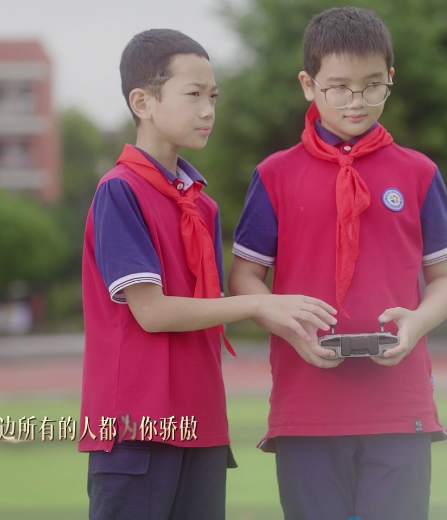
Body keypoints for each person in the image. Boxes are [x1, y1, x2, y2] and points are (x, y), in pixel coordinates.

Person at [80, 29, 338, 520]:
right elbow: (152, 312)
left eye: (213, 96)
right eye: (194, 94)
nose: (208, 110)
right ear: (143, 102)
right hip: (136, 425)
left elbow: (206, 309)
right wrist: (260, 301)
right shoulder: (120, 191)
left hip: (200, 423)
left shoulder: (203, 205)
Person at [228, 7, 447, 520]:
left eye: (372, 85)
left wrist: (416, 323)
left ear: (390, 79)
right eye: (338, 87)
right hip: (306, 407)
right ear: (308, 85)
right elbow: (245, 278)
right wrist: (293, 329)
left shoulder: (420, 173)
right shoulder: (274, 175)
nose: (356, 101)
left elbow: (446, 279)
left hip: (399, 406)